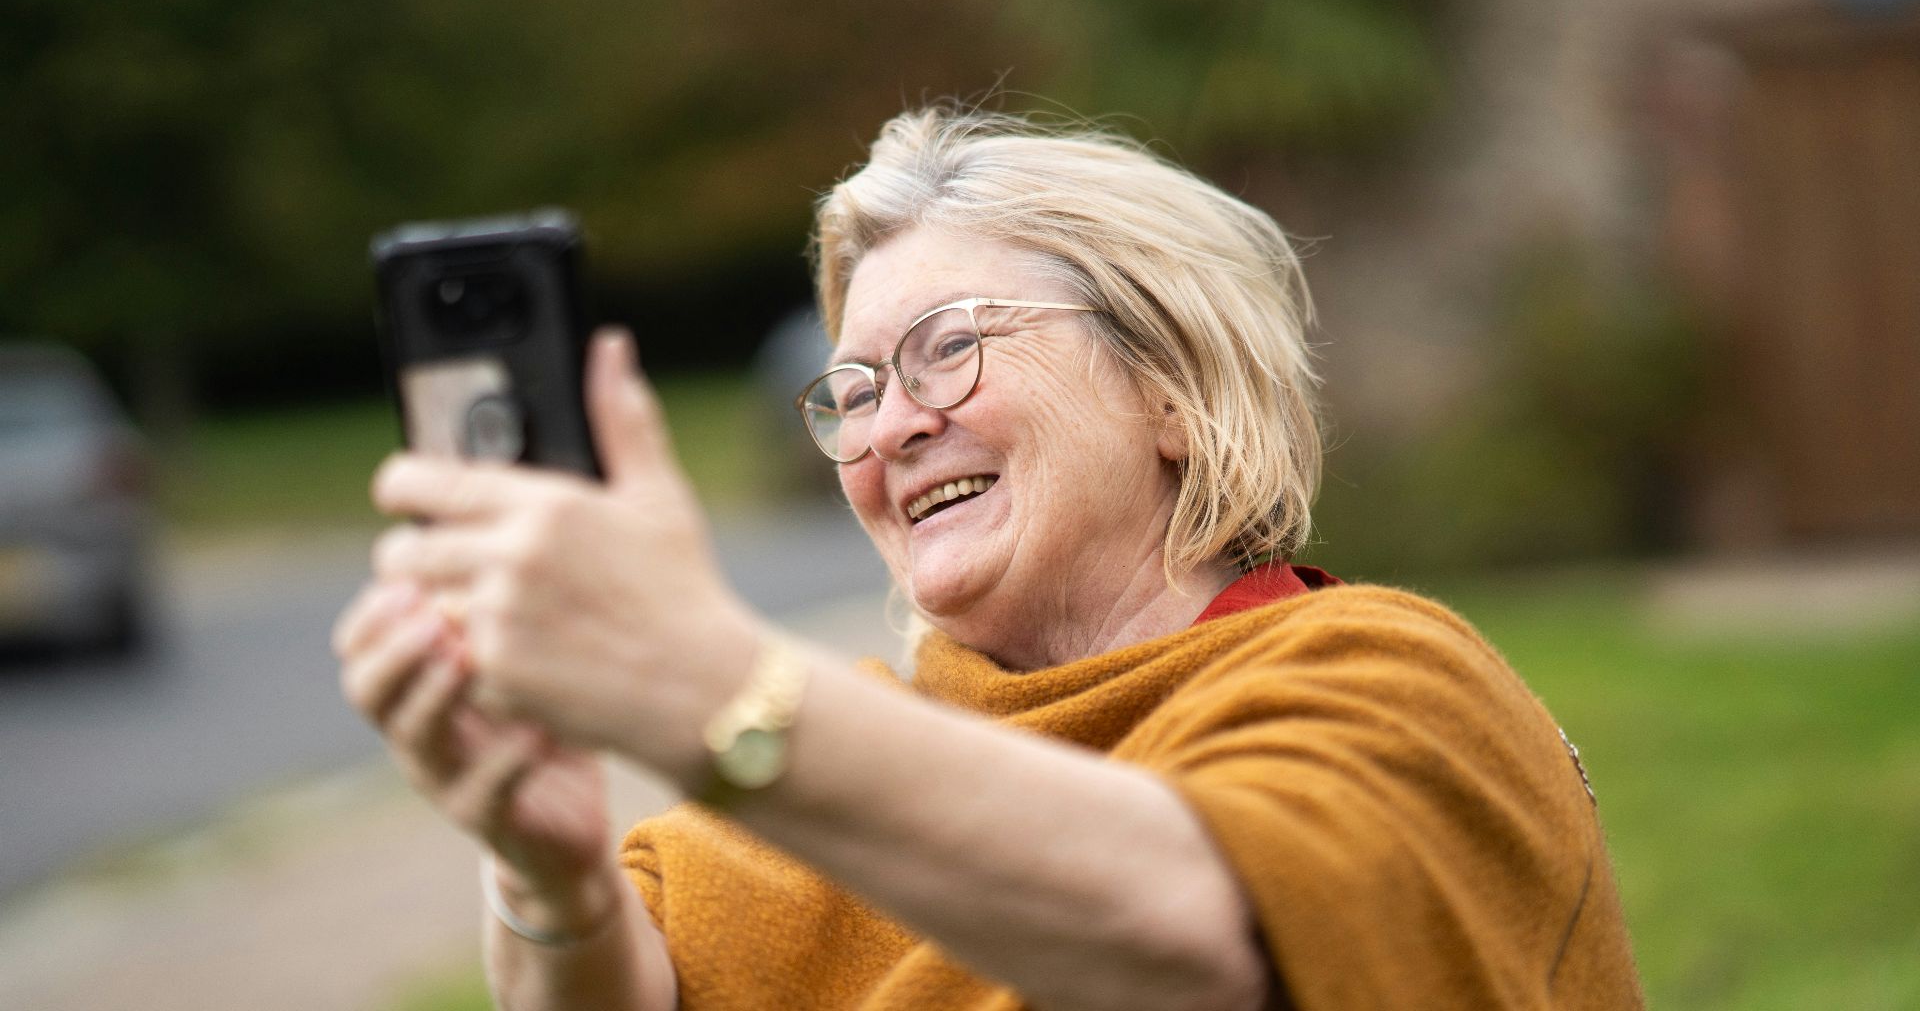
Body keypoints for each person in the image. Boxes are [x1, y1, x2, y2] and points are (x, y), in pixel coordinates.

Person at [333, 107, 1643, 1010]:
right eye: (849, 390)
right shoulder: (795, 829)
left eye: (947, 347)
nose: (891, 426)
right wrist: (543, 865)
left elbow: (1210, 938)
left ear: (1173, 390)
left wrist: (704, 682)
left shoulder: (1399, 685)